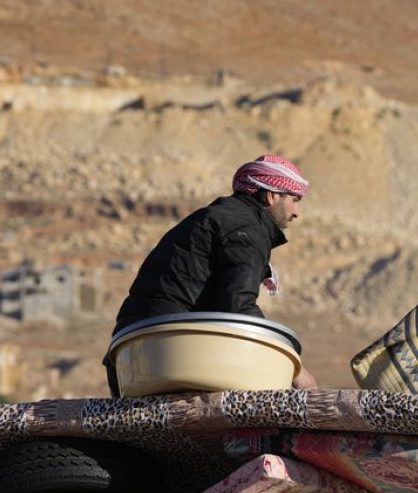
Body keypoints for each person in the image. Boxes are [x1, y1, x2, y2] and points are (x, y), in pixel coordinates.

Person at [107, 154, 318, 393]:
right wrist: (294, 369)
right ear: (271, 196)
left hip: (129, 355)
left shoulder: (219, 217)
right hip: (167, 353)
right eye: (294, 200)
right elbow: (237, 307)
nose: (297, 212)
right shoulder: (246, 228)